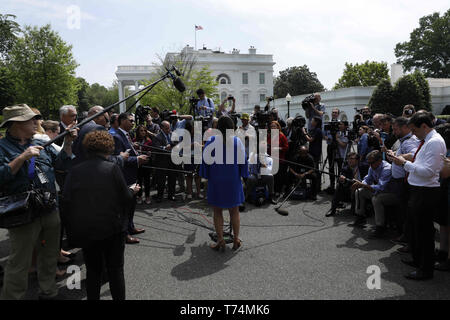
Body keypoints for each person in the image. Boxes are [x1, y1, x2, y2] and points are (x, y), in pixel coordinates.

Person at [0, 104, 77, 300]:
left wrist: (67, 143)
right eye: (32, 119)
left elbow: (61, 165)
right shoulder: (2, 147)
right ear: (16, 123)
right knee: (20, 262)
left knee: (50, 255)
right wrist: (23, 157)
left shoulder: (41, 142)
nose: (37, 122)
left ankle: (49, 291)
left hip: (49, 207)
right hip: (22, 212)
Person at [62, 130, 140, 300]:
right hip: (112, 228)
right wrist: (131, 190)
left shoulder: (75, 171)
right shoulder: (112, 168)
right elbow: (126, 197)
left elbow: (66, 200)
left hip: (86, 229)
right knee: (115, 270)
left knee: (93, 271)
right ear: (109, 148)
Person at [390, 112, 446, 280]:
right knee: (416, 230)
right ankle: (418, 261)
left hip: (425, 192)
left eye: (414, 130)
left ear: (424, 126)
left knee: (424, 233)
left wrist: (404, 163)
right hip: (418, 190)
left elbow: (428, 172)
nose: (412, 134)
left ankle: (426, 269)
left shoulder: (435, 142)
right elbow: (421, 165)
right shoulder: (426, 141)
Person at [200, 116, 248, 252]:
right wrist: (243, 175)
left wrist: (206, 175)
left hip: (216, 180)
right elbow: (243, 161)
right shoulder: (237, 142)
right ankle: (236, 239)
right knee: (234, 211)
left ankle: (220, 240)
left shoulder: (211, 141)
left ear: (218, 127)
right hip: (233, 179)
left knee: (217, 211)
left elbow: (205, 162)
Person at [112, 113, 148, 244]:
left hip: (132, 175)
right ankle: (125, 234)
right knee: (125, 207)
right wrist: (137, 159)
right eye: (131, 120)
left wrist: (136, 152)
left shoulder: (127, 135)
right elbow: (118, 158)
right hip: (124, 176)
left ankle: (131, 227)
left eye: (134, 121)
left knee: (132, 204)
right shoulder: (116, 136)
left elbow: (128, 153)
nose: (133, 123)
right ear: (122, 121)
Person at [350, 150, 392, 227]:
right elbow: (367, 179)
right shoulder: (372, 167)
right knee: (359, 191)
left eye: (372, 163)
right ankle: (360, 217)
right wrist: (361, 184)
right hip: (380, 191)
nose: (370, 165)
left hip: (390, 193)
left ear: (379, 160)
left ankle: (380, 226)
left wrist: (363, 185)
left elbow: (381, 188)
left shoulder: (386, 169)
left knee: (376, 199)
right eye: (369, 163)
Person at [326, 152, 362, 217]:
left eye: (351, 158)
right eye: (348, 159)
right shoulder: (345, 169)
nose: (349, 160)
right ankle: (333, 209)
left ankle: (357, 210)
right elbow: (341, 182)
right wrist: (343, 181)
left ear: (357, 160)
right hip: (350, 190)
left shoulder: (363, 167)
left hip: (361, 188)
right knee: (338, 186)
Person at [152, 120, 177, 202]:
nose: (168, 129)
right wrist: (165, 148)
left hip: (172, 160)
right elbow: (156, 148)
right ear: (162, 128)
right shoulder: (157, 137)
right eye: (166, 128)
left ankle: (171, 195)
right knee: (161, 180)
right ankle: (160, 196)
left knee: (172, 178)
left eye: (169, 128)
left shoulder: (173, 134)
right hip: (161, 161)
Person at [268, 121, 289, 197]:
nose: (272, 128)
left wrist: (279, 148)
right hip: (271, 159)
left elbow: (286, 147)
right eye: (271, 126)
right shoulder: (270, 135)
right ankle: (272, 190)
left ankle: (278, 191)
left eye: (274, 126)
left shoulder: (282, 135)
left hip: (279, 159)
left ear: (278, 127)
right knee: (272, 176)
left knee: (278, 176)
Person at [133, 125, 152, 205]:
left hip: (146, 163)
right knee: (139, 181)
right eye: (141, 130)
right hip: (138, 164)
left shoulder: (149, 141)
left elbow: (151, 152)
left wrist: (149, 153)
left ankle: (147, 196)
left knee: (147, 181)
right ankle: (139, 196)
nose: (143, 132)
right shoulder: (134, 140)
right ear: (138, 132)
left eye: (144, 130)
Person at [304, 116, 323, 193]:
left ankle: (316, 187)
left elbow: (310, 140)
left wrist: (304, 133)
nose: (311, 122)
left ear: (316, 122)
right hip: (314, 151)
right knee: (314, 169)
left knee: (314, 169)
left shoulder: (317, 130)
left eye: (312, 120)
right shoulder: (316, 130)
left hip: (315, 152)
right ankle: (316, 187)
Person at [323, 108, 341, 193]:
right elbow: (324, 134)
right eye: (333, 112)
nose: (334, 114)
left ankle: (339, 185)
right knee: (331, 166)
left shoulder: (340, 123)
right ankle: (332, 184)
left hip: (338, 146)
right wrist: (326, 137)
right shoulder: (328, 123)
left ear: (338, 114)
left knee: (340, 165)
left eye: (336, 113)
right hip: (330, 146)